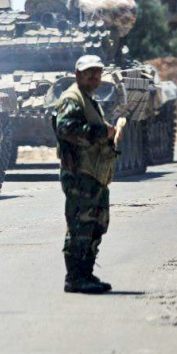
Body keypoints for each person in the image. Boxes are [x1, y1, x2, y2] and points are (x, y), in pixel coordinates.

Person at [53, 54, 119, 294]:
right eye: (89, 72)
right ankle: (75, 278)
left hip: (93, 173)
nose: (94, 76)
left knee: (95, 225)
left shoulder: (89, 99)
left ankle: (86, 273)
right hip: (79, 173)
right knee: (80, 226)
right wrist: (100, 132)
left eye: (97, 72)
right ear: (77, 74)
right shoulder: (72, 98)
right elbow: (64, 128)